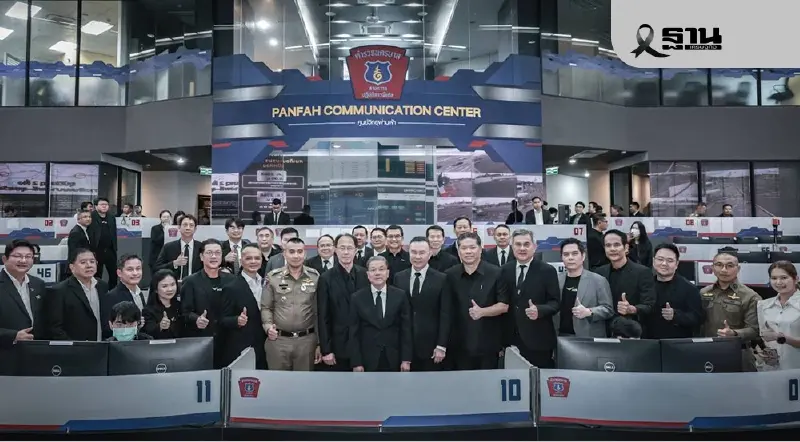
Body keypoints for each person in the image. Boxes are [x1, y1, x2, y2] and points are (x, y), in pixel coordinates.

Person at [446, 232, 509, 370]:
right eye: (464, 248)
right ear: (458, 251)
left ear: (480, 249)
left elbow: (504, 305)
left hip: (488, 345)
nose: (468, 251)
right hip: (458, 346)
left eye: (472, 247)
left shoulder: (496, 272)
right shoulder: (449, 275)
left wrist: (482, 312)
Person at [501, 229, 559, 368]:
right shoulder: (504, 270)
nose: (522, 248)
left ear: (534, 246)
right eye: (518, 244)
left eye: (526, 244)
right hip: (511, 340)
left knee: (539, 378)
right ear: (512, 246)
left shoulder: (547, 270)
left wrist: (539, 310)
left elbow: (555, 303)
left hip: (538, 340)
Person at [262, 237, 321, 371]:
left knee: (303, 382)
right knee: (278, 381)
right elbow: (266, 307)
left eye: (300, 251)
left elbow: (318, 311)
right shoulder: (273, 277)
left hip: (306, 342)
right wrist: (268, 327)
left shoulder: (315, 277)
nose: (296, 255)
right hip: (278, 341)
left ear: (305, 254)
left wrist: (319, 343)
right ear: (285, 254)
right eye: (292, 251)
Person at [393, 237, 451, 371]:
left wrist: (441, 345)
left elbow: (445, 314)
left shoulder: (442, 279)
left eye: (422, 252)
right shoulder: (399, 277)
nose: (417, 256)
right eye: (414, 252)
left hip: (432, 347)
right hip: (404, 346)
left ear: (430, 254)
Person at [349, 256, 412, 372]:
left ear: (387, 273)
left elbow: (406, 329)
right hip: (367, 358)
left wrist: (406, 359)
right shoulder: (357, 298)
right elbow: (354, 332)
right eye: (373, 270)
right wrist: (356, 362)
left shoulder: (400, 295)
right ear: (368, 275)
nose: (377, 273)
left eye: (381, 269)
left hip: (394, 357)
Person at [700, 251, 761, 371]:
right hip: (708, 352)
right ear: (712, 268)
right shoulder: (703, 293)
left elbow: (755, 330)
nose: (724, 270)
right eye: (719, 265)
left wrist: (734, 333)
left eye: (729, 265)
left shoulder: (750, 296)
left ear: (738, 269)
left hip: (739, 353)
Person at [317, 233, 370, 371]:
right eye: (342, 248)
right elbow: (323, 316)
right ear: (335, 250)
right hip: (338, 345)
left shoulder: (365, 275)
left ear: (356, 250)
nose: (346, 252)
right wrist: (326, 350)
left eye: (349, 248)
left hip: (364, 343)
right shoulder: (325, 278)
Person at [180, 239, 235, 368]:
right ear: (201, 256)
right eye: (209, 253)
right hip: (201, 342)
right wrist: (196, 319)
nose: (214, 256)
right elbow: (184, 312)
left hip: (228, 341)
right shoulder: (190, 282)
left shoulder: (232, 280)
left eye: (217, 253)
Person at [593, 229, 656, 335]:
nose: (612, 249)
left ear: (626, 247)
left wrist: (632, 309)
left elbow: (649, 305)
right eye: (608, 245)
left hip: (631, 332)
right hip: (604, 332)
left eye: (616, 245)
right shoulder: (599, 272)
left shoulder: (642, 272)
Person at [220, 244, 268, 369]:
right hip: (243, 346)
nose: (253, 261)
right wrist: (237, 320)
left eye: (257, 258)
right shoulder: (231, 287)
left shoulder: (267, 283)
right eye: (248, 258)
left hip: (266, 344)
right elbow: (222, 319)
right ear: (241, 261)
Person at [45, 249, 109, 341]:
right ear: (72, 267)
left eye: (92, 261)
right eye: (83, 262)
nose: (89, 265)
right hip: (75, 347)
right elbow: (55, 328)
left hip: (101, 345)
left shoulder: (102, 286)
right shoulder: (59, 290)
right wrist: (74, 346)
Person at [555, 238, 613, 338]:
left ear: (583, 256)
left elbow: (608, 309)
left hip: (588, 337)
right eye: (566, 254)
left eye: (574, 254)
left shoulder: (598, 280)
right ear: (562, 258)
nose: (570, 258)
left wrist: (589, 312)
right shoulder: (556, 280)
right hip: (560, 337)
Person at [646, 244, 705, 339]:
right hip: (648, 341)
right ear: (653, 261)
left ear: (677, 264)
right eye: (660, 259)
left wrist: (675, 315)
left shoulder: (689, 288)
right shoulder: (646, 285)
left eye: (670, 260)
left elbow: (697, 318)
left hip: (677, 342)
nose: (664, 264)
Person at [0, 240, 47, 347]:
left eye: (28, 256)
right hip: (5, 350)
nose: (23, 260)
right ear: (4, 259)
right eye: (17, 256)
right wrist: (12, 336)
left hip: (35, 349)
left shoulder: (38, 284)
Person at [758, 261, 800, 370]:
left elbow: (778, 337)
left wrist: (783, 339)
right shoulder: (763, 305)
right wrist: (763, 352)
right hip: (772, 369)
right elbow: (764, 337)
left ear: (796, 279)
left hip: (796, 367)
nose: (778, 282)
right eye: (774, 278)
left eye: (784, 278)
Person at [101, 254, 146, 339]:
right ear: (119, 273)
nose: (135, 273)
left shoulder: (139, 293)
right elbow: (107, 328)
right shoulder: (112, 296)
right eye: (130, 269)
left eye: (138, 268)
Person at [153, 214, 203, 281]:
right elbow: (157, 268)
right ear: (179, 227)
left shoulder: (201, 247)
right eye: (185, 225)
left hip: (196, 283)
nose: (188, 228)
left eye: (191, 225)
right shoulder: (169, 247)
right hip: (174, 284)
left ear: (195, 229)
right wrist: (174, 263)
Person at [142, 269, 182, 339]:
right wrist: (160, 326)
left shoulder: (180, 306)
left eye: (172, 284)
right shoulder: (148, 311)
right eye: (164, 286)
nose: (170, 289)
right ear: (156, 289)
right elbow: (148, 332)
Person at [89, 197, 118, 287]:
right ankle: (97, 291)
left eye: (106, 205)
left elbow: (114, 233)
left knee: (114, 273)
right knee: (97, 274)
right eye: (102, 204)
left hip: (110, 249)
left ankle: (112, 291)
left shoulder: (111, 217)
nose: (104, 206)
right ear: (96, 206)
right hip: (96, 250)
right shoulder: (91, 217)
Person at [148, 210, 173, 275]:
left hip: (169, 258)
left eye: (168, 217)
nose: (166, 218)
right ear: (160, 218)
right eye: (164, 217)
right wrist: (165, 230)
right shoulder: (155, 228)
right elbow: (156, 240)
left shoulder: (174, 228)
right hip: (156, 257)